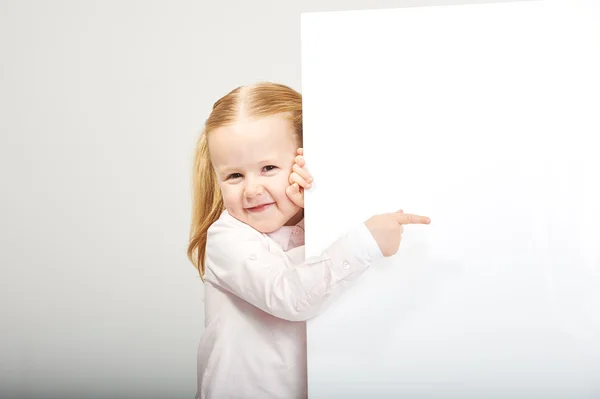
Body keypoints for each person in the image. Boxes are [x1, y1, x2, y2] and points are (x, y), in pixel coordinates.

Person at [187, 82, 430, 398]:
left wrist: (318, 203)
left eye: (269, 168)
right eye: (234, 175)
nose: (251, 190)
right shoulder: (227, 237)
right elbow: (288, 294)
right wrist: (365, 242)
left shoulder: (311, 224)